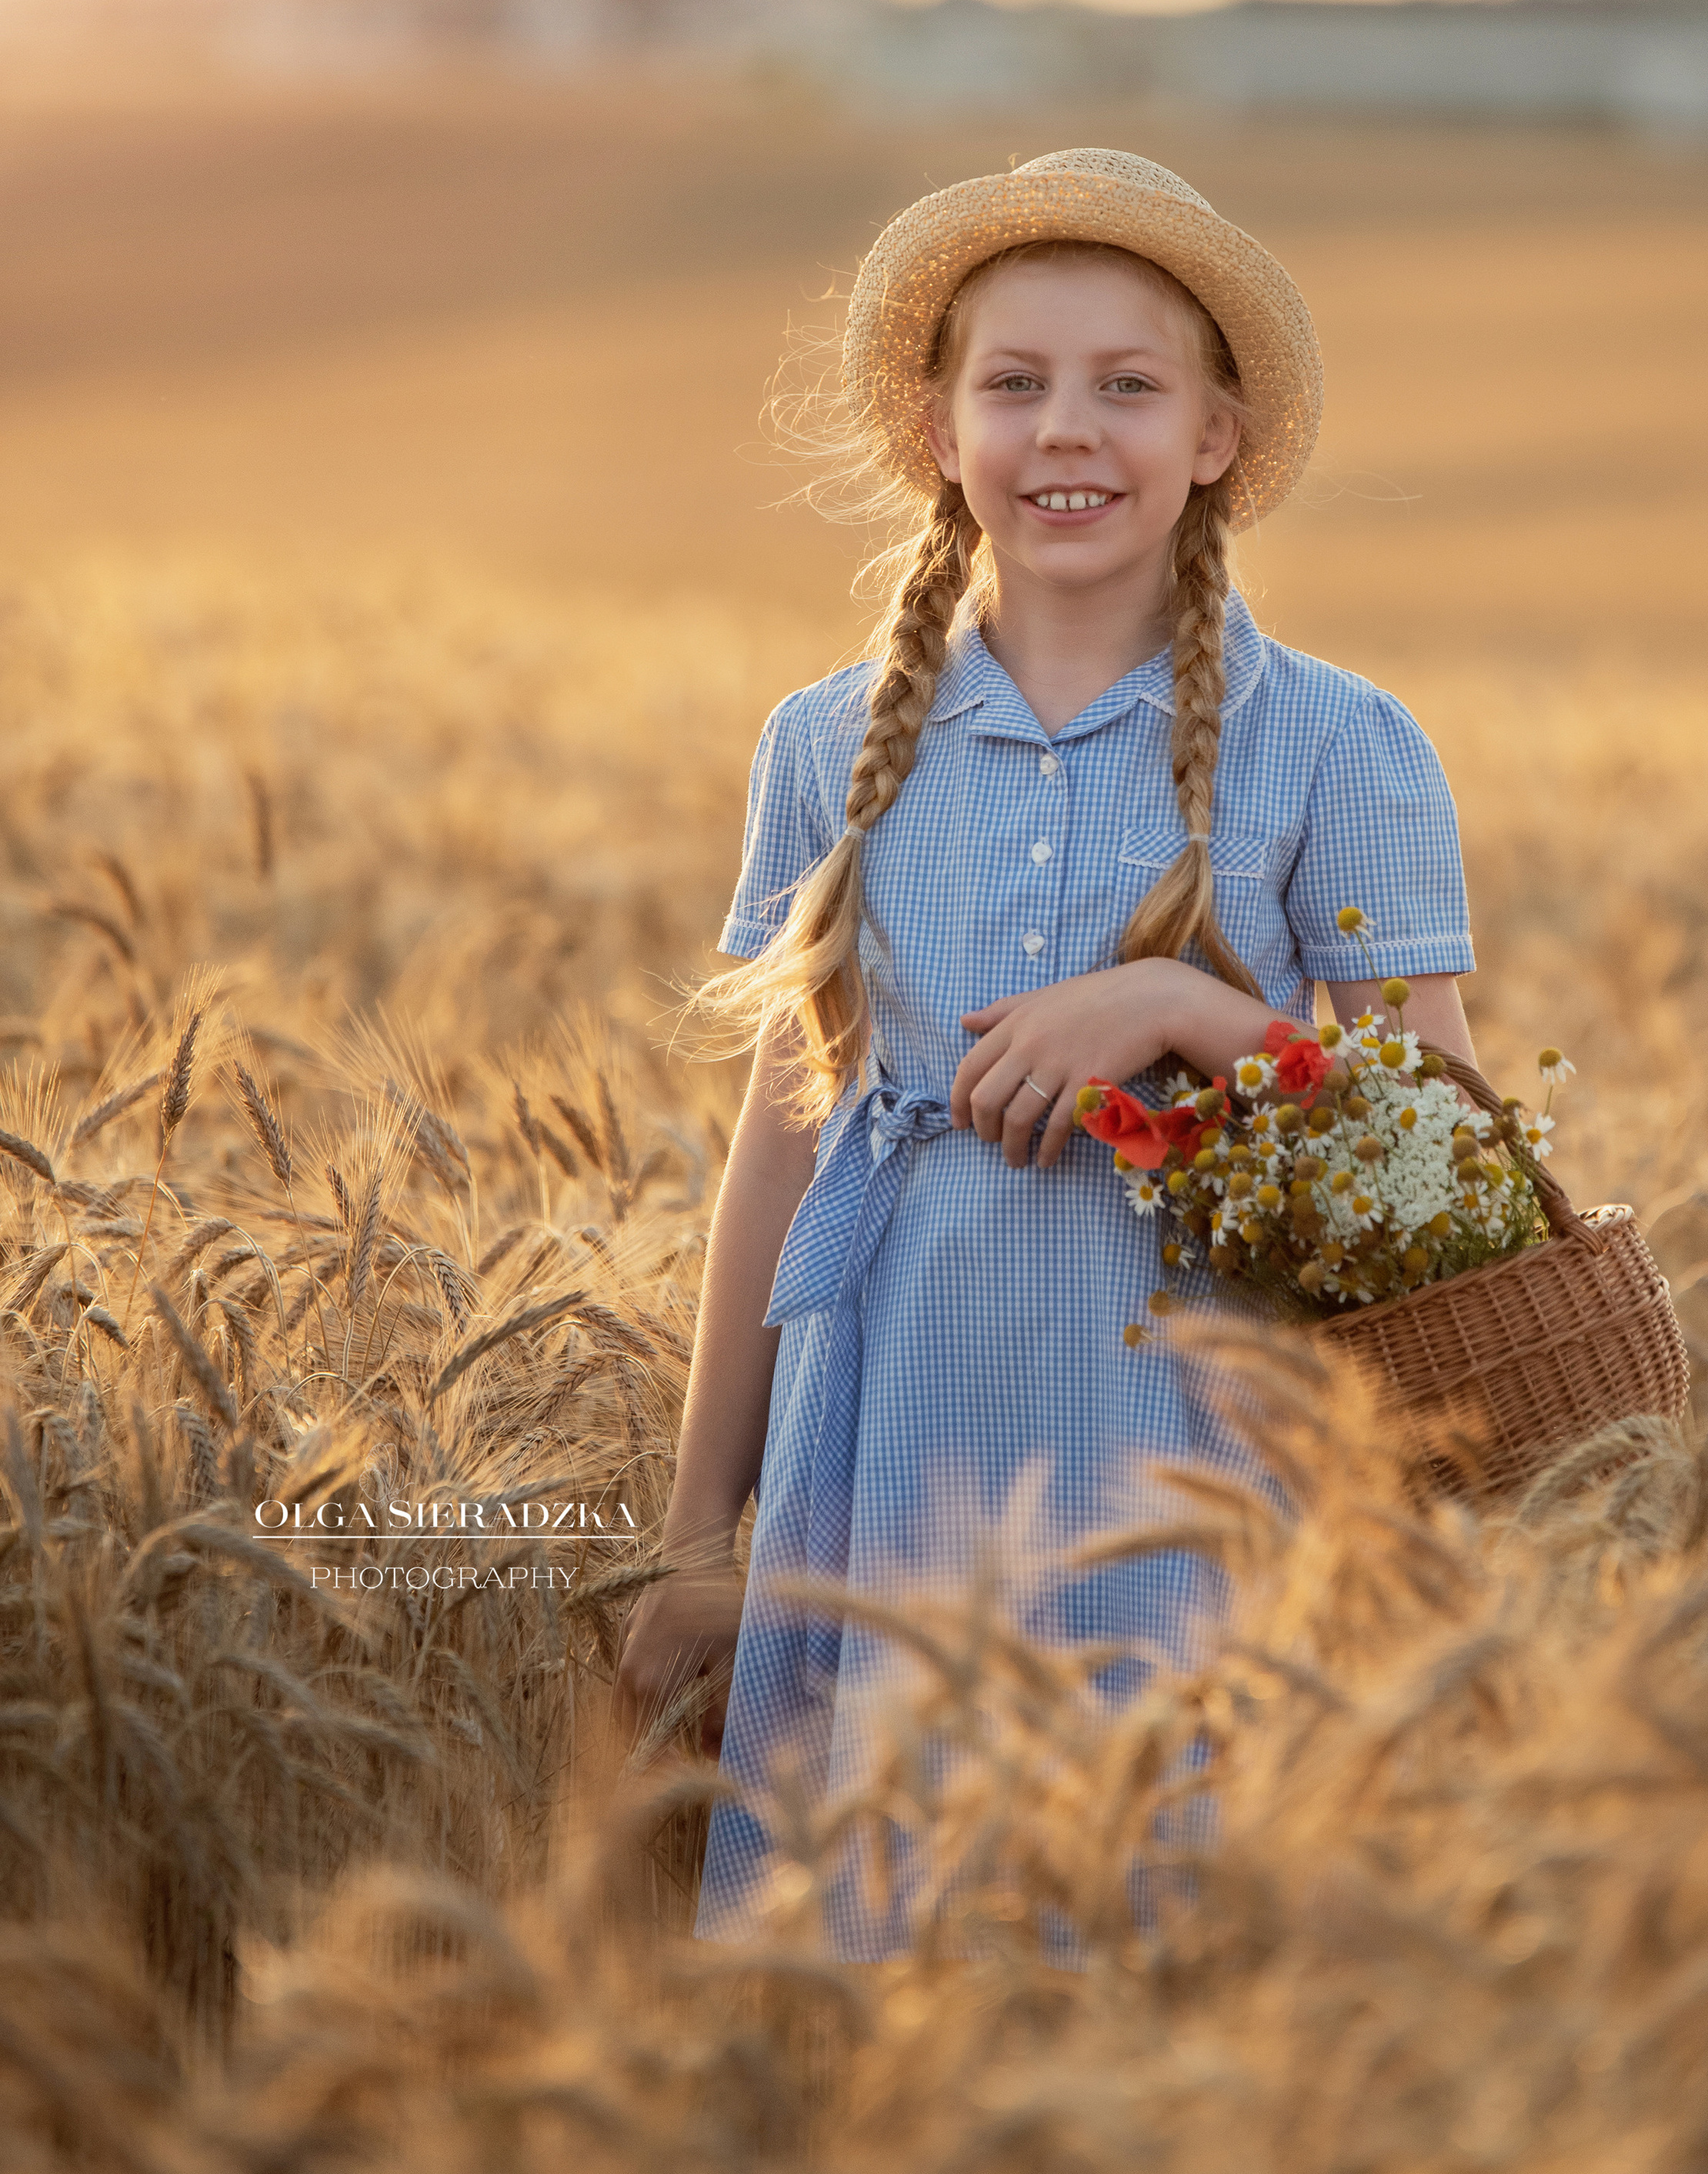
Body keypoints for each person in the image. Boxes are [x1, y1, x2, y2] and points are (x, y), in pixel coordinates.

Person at [612, 147, 1479, 1952]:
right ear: (938, 432)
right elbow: (785, 1145)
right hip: (893, 1425)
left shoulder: (1340, 743)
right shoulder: (823, 744)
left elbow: (1448, 1154)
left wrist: (1180, 1011)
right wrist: (704, 1528)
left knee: (1165, 1923)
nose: (1064, 430)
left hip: (1191, 1443)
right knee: (885, 1934)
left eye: (1126, 385)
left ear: (1216, 436)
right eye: (1013, 384)